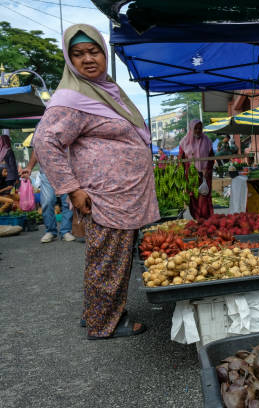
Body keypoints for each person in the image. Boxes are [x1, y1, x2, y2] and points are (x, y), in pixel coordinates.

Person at [33, 24, 159, 339]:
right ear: (69, 59)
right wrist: (71, 188)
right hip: (106, 196)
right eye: (78, 54)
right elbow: (45, 142)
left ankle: (97, 313)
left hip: (122, 195)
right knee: (108, 262)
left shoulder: (102, 91)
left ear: (104, 53)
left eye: (94, 51)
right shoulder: (71, 97)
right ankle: (105, 324)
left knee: (108, 258)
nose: (87, 59)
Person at [21, 150, 75, 243]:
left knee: (67, 202)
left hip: (67, 171)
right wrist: (29, 167)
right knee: (47, 201)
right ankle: (50, 231)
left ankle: (66, 231)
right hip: (46, 171)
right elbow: (36, 149)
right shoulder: (39, 134)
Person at [179, 119, 214, 220]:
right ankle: (197, 218)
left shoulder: (207, 141)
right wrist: (182, 175)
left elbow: (211, 158)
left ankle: (207, 219)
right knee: (193, 197)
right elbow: (180, 160)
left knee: (204, 197)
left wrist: (207, 170)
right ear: (191, 129)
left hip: (205, 175)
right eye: (196, 128)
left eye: (200, 128)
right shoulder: (184, 142)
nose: (198, 130)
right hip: (191, 176)